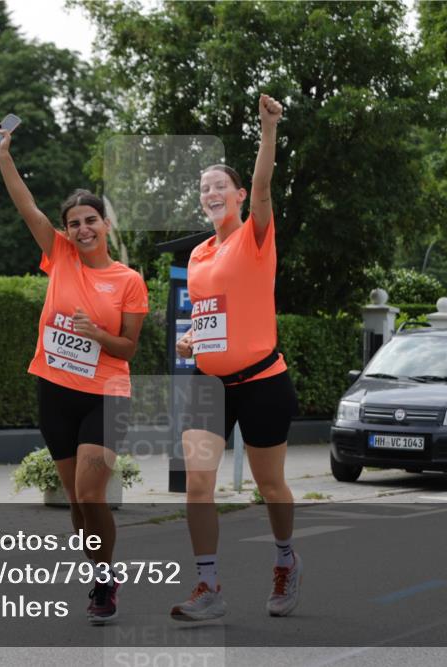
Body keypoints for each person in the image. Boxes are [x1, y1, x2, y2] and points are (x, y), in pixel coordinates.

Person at [0, 120, 149, 625]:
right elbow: (26, 207)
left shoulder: (128, 280)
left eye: (90, 220)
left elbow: (129, 348)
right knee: (77, 504)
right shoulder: (57, 255)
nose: (81, 229)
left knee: (94, 494)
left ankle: (104, 582)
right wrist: (3, 156)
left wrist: (96, 336)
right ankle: (101, 573)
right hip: (55, 390)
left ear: (105, 224)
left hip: (106, 392)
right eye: (74, 222)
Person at [170, 94, 301, 621]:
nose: (210, 192)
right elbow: (210, 317)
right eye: (204, 188)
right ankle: (208, 586)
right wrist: (191, 340)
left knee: (271, 485)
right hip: (208, 381)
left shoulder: (255, 236)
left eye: (219, 185)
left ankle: (287, 561)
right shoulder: (199, 253)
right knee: (198, 483)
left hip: (263, 379)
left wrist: (268, 130)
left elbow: (267, 185)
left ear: (241, 194)